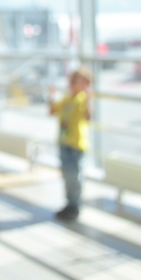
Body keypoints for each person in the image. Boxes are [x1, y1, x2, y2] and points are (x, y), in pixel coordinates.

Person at [49, 66, 93, 222]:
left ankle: (75, 205)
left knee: (74, 176)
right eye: (71, 80)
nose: (72, 83)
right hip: (64, 142)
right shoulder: (66, 99)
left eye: (76, 80)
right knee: (67, 175)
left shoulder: (81, 99)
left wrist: (88, 98)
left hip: (76, 144)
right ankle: (69, 203)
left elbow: (88, 116)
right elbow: (52, 111)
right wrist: (51, 96)